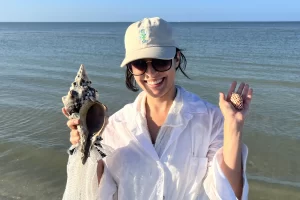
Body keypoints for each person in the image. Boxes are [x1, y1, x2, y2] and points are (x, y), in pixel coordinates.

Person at [62, 17, 253, 200]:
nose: (151, 73)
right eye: (139, 64)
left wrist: (233, 129)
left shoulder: (211, 120)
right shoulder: (114, 127)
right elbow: (99, 193)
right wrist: (84, 146)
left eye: (161, 61)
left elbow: (228, 193)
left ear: (176, 59)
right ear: (130, 68)